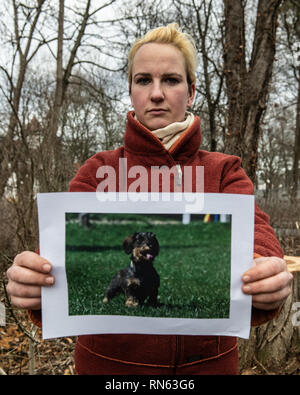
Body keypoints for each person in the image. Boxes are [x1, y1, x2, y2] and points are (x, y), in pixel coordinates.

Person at [6, 23, 293, 375]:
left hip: (206, 368)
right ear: (130, 91)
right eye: (143, 80)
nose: (156, 93)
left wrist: (265, 271)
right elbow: (51, 260)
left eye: (171, 80)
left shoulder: (223, 170)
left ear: (190, 92)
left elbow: (260, 237)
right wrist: (33, 282)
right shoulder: (99, 169)